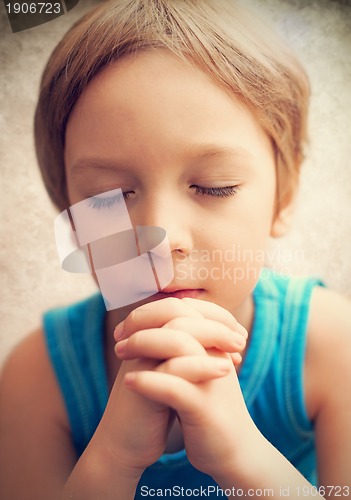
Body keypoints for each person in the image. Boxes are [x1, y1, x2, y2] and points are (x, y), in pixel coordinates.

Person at [0, 0, 350, 498]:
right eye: (112, 196)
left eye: (215, 186)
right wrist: (113, 460)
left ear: (283, 197)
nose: (161, 241)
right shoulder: (36, 380)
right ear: (73, 221)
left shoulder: (333, 346)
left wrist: (244, 460)